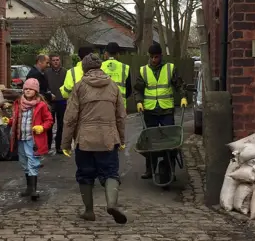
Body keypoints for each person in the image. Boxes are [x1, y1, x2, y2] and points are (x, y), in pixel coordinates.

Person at [61, 54, 128, 224]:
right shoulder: (113, 86)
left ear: (84, 68)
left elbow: (70, 118)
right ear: (100, 68)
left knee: (85, 174)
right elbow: (121, 115)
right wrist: (121, 138)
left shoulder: (79, 87)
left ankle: (89, 211)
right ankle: (111, 204)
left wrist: (65, 143)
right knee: (111, 173)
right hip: (108, 139)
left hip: (85, 141)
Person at [134, 43, 188, 180]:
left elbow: (179, 85)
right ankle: (149, 169)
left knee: (170, 141)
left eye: (156, 57)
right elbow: (138, 89)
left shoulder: (170, 68)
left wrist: (183, 97)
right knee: (149, 140)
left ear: (161, 56)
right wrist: (139, 101)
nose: (153, 60)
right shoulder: (143, 71)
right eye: (151, 57)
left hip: (166, 109)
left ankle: (170, 169)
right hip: (150, 110)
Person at [7, 78, 54, 200]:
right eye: (26, 89)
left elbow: (49, 120)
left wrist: (42, 127)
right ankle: (29, 187)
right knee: (23, 161)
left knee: (33, 161)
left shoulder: (41, 105)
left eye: (31, 89)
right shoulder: (18, 103)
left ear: (36, 91)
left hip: (33, 139)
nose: (27, 91)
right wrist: (9, 121)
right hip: (20, 137)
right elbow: (16, 118)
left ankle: (33, 189)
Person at [45, 54, 67, 154]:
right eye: (53, 60)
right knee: (49, 123)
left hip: (62, 101)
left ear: (60, 61)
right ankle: (48, 145)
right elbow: (44, 86)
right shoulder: (47, 72)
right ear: (50, 62)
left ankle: (59, 146)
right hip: (50, 102)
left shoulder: (65, 72)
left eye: (57, 60)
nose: (55, 62)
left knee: (61, 124)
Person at [101, 42, 132, 107]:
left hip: (104, 106)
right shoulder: (125, 67)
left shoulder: (100, 66)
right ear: (118, 54)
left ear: (106, 53)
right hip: (120, 106)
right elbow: (129, 90)